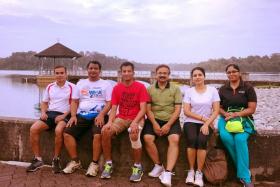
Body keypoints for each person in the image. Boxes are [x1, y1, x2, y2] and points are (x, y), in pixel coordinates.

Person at [100, 62, 149, 182]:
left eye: (129, 71)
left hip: (137, 117)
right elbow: (113, 108)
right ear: (121, 73)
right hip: (121, 117)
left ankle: (137, 167)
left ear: (133, 72)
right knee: (106, 131)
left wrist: (135, 122)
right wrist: (110, 122)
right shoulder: (117, 88)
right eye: (124, 71)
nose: (126, 73)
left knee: (134, 134)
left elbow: (143, 109)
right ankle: (108, 164)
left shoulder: (141, 87)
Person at [62, 60, 112, 177]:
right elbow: (74, 101)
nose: (93, 71)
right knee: (67, 133)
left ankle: (94, 164)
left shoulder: (106, 85)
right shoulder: (80, 83)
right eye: (90, 68)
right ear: (87, 70)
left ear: (100, 71)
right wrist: (73, 116)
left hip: (99, 115)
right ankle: (75, 161)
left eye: (95, 68)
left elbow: (110, 103)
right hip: (82, 115)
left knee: (97, 135)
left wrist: (101, 114)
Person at [26, 66, 75, 173]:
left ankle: (56, 159)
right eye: (57, 73)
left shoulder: (72, 87)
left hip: (65, 114)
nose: (59, 75)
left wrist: (64, 115)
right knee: (33, 129)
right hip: (50, 113)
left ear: (66, 74)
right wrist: (43, 112)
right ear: (54, 74)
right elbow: (44, 102)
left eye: (62, 73)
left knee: (58, 131)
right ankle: (38, 160)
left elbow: (75, 104)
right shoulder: (50, 86)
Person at [218, 64, 257, 187]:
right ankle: (245, 172)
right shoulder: (223, 89)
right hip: (225, 118)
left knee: (240, 139)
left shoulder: (248, 88)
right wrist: (226, 114)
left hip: (243, 118)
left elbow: (251, 109)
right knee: (226, 138)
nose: (231, 74)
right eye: (228, 72)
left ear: (239, 73)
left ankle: (245, 177)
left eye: (234, 71)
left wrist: (236, 114)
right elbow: (218, 107)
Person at [143, 64, 182, 187]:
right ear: (156, 74)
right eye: (160, 73)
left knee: (174, 139)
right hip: (154, 119)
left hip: (171, 119)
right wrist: (154, 124)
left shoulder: (176, 89)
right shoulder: (149, 89)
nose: (162, 75)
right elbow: (148, 109)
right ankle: (158, 165)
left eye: (165, 73)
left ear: (168, 75)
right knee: (147, 138)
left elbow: (178, 109)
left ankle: (168, 172)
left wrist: (168, 125)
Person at [183, 67, 220, 187]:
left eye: (200, 74)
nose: (197, 77)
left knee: (202, 140)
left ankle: (199, 173)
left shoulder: (212, 90)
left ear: (204, 76)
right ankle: (191, 171)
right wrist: (203, 119)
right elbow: (187, 112)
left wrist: (207, 123)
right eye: (195, 75)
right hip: (190, 121)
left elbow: (216, 110)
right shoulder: (189, 91)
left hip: (207, 122)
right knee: (192, 140)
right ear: (192, 78)